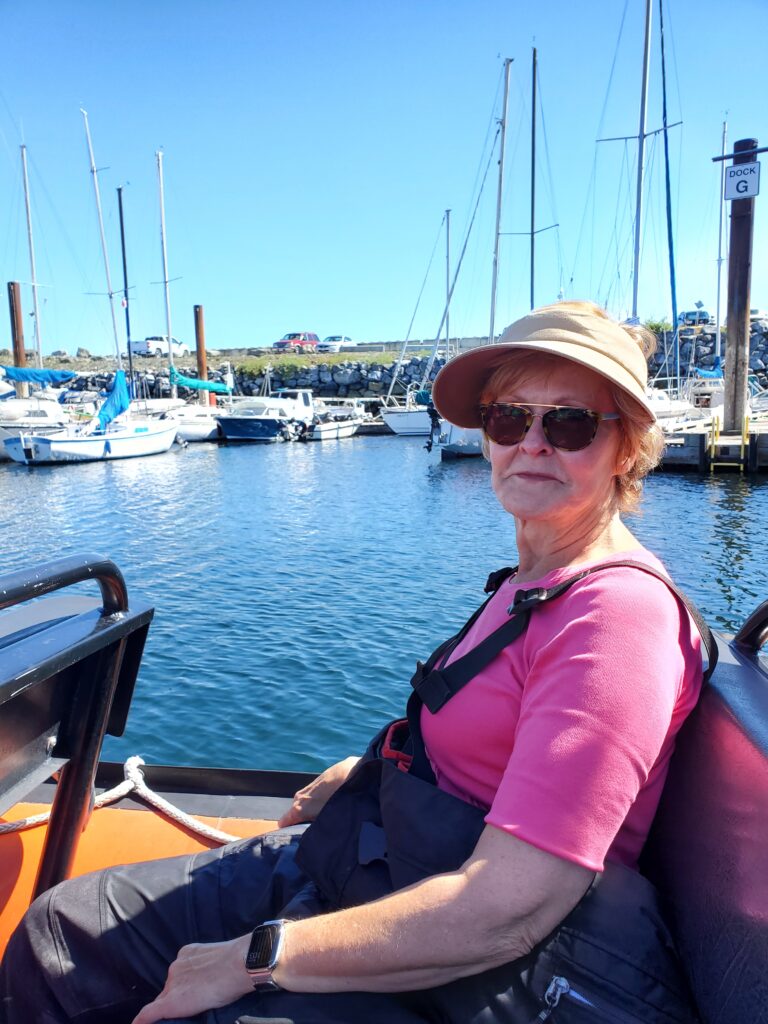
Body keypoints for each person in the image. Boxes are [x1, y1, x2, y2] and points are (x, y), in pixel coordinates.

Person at [0, 301, 709, 1024]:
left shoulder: (618, 620)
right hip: (384, 858)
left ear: (627, 449)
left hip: (471, 942)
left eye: (569, 423)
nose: (531, 443)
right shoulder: (535, 582)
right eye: (507, 418)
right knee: (59, 931)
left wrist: (256, 957)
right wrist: (363, 771)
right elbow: (479, 756)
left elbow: (509, 908)